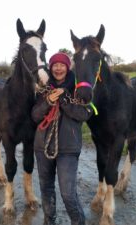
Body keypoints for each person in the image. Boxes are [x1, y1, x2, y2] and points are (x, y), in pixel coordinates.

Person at [32, 52, 93, 225]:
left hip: (68, 149)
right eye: (55, 65)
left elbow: (85, 114)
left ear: (68, 67)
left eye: (62, 65)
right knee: (46, 188)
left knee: (68, 193)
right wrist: (48, 101)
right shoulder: (42, 88)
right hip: (42, 146)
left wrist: (64, 101)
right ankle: (49, 221)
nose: (58, 68)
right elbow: (35, 116)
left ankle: (78, 222)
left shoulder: (79, 89)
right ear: (50, 67)